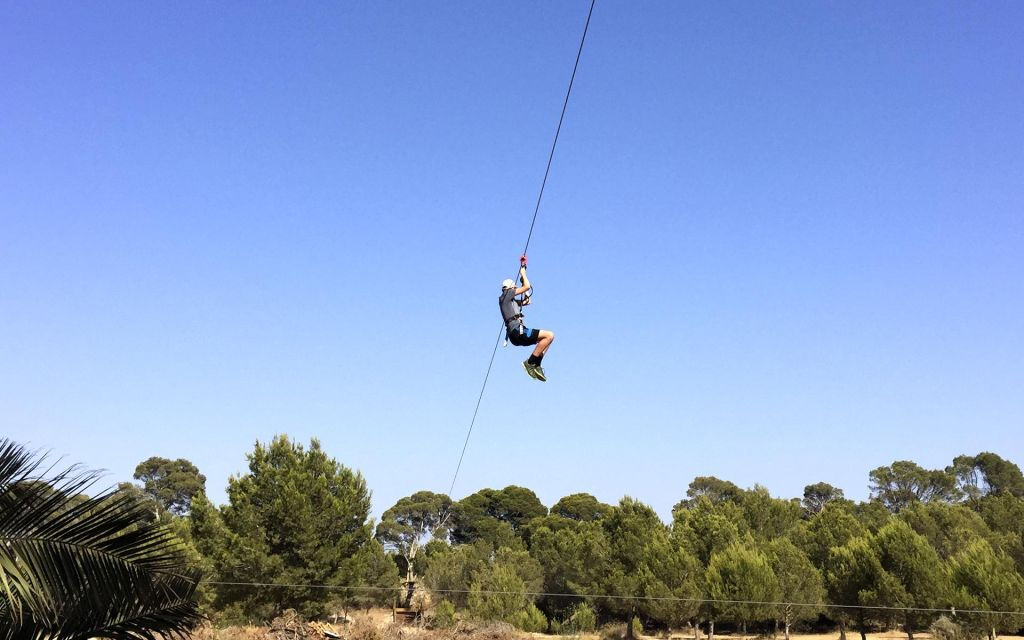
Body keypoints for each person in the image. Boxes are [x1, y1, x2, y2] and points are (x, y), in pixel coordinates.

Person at [498, 260, 554, 381]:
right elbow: (527, 286)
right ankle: (530, 362)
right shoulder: (506, 294)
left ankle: (536, 364)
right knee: (549, 335)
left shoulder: (511, 302)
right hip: (517, 332)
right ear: (510, 287)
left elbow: (528, 301)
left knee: (547, 339)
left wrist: (524, 282)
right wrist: (523, 274)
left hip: (517, 335)